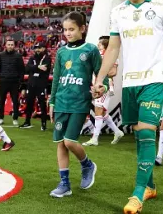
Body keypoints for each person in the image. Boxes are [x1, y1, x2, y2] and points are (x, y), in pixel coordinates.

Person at [91, 0, 163, 214]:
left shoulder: (161, 7)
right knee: (139, 134)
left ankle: (137, 195)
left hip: (155, 80)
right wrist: (100, 78)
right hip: (130, 83)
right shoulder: (119, 12)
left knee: (147, 131)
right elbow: (113, 48)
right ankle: (150, 185)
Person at [48, 12, 108, 198]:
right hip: (61, 102)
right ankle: (64, 184)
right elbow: (56, 78)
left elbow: (101, 74)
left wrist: (102, 87)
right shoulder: (61, 52)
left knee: (69, 141)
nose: (68, 33)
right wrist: (52, 101)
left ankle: (87, 164)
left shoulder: (90, 50)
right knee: (60, 144)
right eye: (65, 30)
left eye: (71, 29)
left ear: (82, 28)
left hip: (80, 102)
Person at [82, 36, 124, 146]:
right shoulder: (98, 55)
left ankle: (95, 138)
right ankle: (117, 132)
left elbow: (113, 72)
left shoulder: (111, 56)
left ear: (105, 45)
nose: (97, 45)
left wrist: (101, 73)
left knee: (98, 110)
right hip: (97, 85)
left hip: (105, 86)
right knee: (102, 112)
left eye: (99, 43)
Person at [21, 42, 51, 130]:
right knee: (29, 103)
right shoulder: (32, 57)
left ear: (44, 48)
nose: (37, 49)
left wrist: (33, 67)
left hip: (41, 84)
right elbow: (27, 68)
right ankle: (27, 122)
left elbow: (45, 69)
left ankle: (44, 123)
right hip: (31, 83)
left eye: (39, 48)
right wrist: (38, 67)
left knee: (42, 104)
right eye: (36, 48)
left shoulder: (47, 58)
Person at [0, 39, 25, 126]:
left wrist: (20, 80)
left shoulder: (18, 56)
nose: (10, 46)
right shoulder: (1, 55)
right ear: (5, 45)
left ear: (14, 45)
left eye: (11, 44)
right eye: (8, 44)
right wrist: (1, 76)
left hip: (14, 82)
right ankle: (0, 118)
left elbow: (22, 69)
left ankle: (15, 118)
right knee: (2, 100)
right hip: (4, 81)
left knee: (15, 101)